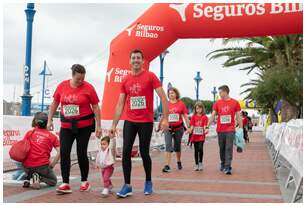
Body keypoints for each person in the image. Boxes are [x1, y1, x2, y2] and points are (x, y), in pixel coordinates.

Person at [109, 49, 169, 198]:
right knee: (125, 152)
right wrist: (113, 124)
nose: (136, 60)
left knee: (144, 152)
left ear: (143, 61)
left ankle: (148, 181)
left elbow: (163, 97)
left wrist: (165, 118)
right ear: (130, 61)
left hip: (145, 121)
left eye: (138, 58)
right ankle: (127, 185)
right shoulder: (125, 80)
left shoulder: (150, 76)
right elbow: (120, 103)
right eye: (133, 58)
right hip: (130, 120)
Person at [47, 64, 102, 194]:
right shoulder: (62, 86)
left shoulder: (89, 88)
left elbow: (95, 107)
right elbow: (55, 103)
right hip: (67, 126)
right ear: (72, 76)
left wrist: (98, 126)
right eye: (78, 79)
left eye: (82, 79)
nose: (81, 81)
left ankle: (84, 181)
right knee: (64, 152)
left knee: (81, 152)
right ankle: (65, 183)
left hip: (85, 126)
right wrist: (49, 119)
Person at [205, 85, 242, 175]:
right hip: (220, 130)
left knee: (229, 148)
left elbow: (238, 116)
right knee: (222, 148)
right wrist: (207, 126)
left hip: (230, 129)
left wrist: (241, 128)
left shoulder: (235, 102)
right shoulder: (217, 103)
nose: (219, 94)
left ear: (225, 92)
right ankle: (223, 163)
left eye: (220, 92)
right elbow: (213, 115)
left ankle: (227, 166)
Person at [22, 112, 60, 189]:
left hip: (26, 166)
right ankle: (38, 178)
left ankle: (28, 177)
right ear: (48, 123)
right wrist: (52, 164)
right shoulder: (52, 137)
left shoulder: (30, 133)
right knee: (53, 181)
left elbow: (23, 148)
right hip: (41, 167)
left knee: (28, 162)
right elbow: (60, 152)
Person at [161, 87, 189, 173]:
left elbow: (185, 116)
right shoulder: (166, 104)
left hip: (178, 128)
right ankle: (167, 165)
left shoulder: (181, 104)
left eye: (172, 93)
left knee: (177, 147)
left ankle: (178, 161)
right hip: (168, 128)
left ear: (176, 94)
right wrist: (160, 125)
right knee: (168, 145)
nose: (171, 94)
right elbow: (164, 116)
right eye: (169, 93)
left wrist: (189, 127)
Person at [187, 102, 208, 171]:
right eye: (197, 108)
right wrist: (189, 130)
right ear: (195, 109)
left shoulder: (205, 117)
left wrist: (206, 130)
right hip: (195, 136)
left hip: (201, 136)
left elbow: (205, 126)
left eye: (200, 108)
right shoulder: (193, 117)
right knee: (196, 150)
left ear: (202, 109)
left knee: (200, 149)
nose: (198, 110)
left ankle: (200, 163)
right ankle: (196, 164)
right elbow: (192, 126)